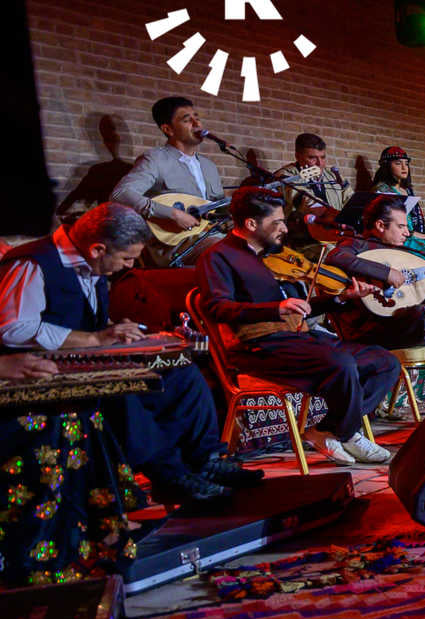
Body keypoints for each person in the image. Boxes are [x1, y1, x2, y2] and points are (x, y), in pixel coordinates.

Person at [0, 203, 260, 503]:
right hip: (35, 369)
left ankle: (204, 459)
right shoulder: (32, 262)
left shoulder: (89, 259)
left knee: (181, 373)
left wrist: (115, 330)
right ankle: (170, 475)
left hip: (83, 358)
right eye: (127, 258)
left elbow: (75, 315)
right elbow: (13, 328)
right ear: (98, 249)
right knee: (123, 390)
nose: (129, 266)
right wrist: (94, 338)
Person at [196, 188, 400, 466]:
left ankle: (330, 430)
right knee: (341, 364)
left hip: (299, 338)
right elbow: (216, 308)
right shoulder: (218, 257)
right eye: (277, 222)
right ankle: (346, 431)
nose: (284, 228)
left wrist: (341, 298)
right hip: (258, 346)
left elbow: (301, 308)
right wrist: (275, 308)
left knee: (385, 362)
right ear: (251, 224)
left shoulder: (273, 256)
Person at [323, 195, 425, 404]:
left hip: (403, 323)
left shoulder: (401, 251)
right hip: (371, 330)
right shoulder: (356, 243)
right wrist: (386, 272)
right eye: (401, 226)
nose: (407, 232)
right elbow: (335, 257)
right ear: (380, 225)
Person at [109, 95, 228, 236]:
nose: (196, 124)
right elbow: (121, 194)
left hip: (214, 235)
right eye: (187, 120)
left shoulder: (209, 166)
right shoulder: (155, 159)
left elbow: (220, 208)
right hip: (178, 240)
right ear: (168, 129)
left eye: (197, 118)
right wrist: (173, 214)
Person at [270, 131, 348, 241]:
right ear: (297, 156)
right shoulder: (285, 175)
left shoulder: (334, 176)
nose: (319, 163)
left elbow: (350, 199)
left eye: (323, 157)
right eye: (312, 158)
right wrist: (328, 213)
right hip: (304, 241)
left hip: (338, 236)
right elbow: (302, 198)